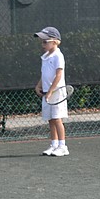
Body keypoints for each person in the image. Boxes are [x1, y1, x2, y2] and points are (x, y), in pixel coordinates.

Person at [33, 26, 68, 156]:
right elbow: (45, 74)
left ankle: (62, 146)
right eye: (42, 42)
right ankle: (54, 145)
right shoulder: (45, 57)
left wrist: (51, 91)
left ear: (54, 41)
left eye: (45, 42)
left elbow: (58, 75)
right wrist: (38, 86)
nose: (42, 45)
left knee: (57, 119)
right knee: (50, 120)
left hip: (57, 92)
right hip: (47, 93)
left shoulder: (58, 56)